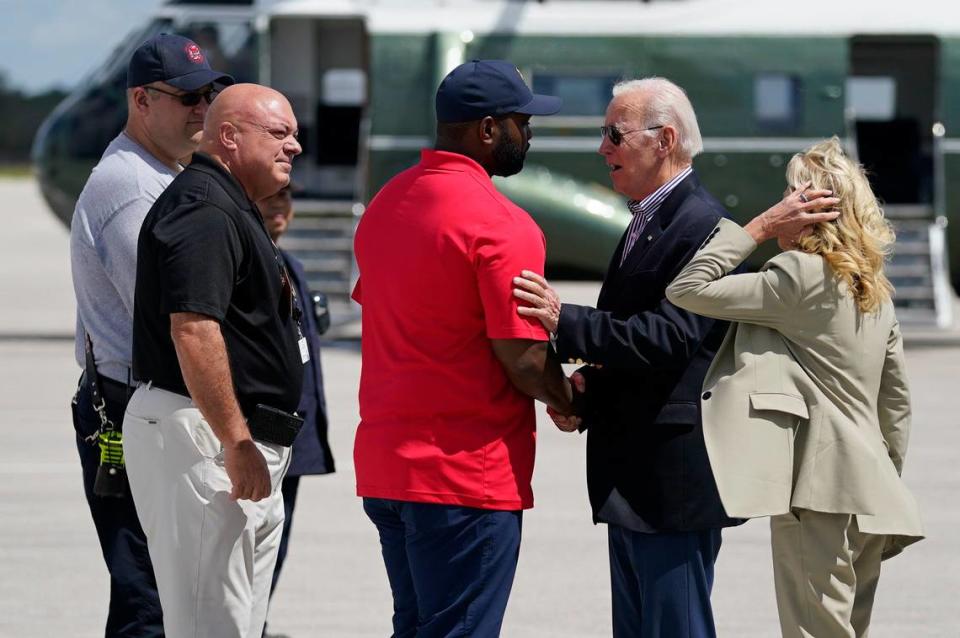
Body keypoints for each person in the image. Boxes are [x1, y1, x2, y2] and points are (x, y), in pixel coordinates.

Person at [665, 138, 924, 638]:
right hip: (871, 493)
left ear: (810, 209)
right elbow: (896, 405)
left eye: (791, 198)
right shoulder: (873, 288)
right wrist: (883, 473)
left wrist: (760, 227)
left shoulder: (798, 275)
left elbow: (687, 289)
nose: (783, 206)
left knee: (813, 631)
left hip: (820, 491)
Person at [512, 77, 742, 638]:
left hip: (671, 483)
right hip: (636, 478)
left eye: (614, 133)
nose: (603, 148)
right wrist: (589, 391)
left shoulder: (701, 224)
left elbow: (671, 337)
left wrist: (565, 320)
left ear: (664, 139)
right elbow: (642, 342)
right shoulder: (650, 217)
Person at [351, 59, 572, 637]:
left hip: (387, 466)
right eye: (524, 122)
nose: (531, 134)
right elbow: (522, 357)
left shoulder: (386, 205)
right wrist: (571, 395)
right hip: (464, 476)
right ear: (489, 129)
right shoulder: (503, 224)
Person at [122, 83, 304, 638]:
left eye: (295, 134)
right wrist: (236, 441)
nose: (294, 146)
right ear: (229, 136)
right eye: (279, 133)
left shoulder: (231, 205)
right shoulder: (204, 208)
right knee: (210, 626)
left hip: (236, 442)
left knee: (239, 623)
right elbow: (194, 329)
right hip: (206, 440)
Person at [68, 33, 232, 637]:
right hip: (133, 409)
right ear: (141, 99)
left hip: (145, 405)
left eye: (209, 93)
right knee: (151, 598)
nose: (202, 107)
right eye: (186, 95)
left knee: (163, 590)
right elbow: (180, 316)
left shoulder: (165, 175)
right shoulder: (133, 188)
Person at [256, 184, 336, 636]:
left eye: (285, 198)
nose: (280, 207)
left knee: (275, 543)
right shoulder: (250, 265)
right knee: (250, 544)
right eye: (270, 198)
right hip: (266, 436)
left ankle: (257, 621)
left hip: (295, 436)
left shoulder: (291, 266)